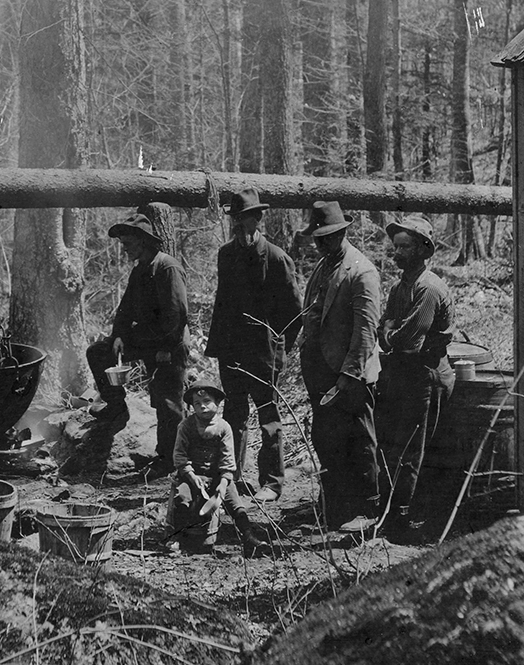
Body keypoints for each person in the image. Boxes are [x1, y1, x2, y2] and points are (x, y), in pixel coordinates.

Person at [205, 190, 301, 503]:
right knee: (234, 416)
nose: (237, 224)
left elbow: (293, 312)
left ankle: (271, 482)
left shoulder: (275, 257)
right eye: (234, 218)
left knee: (268, 416)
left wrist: (280, 349)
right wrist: (217, 345)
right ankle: (232, 478)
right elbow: (222, 303)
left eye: (243, 218)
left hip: (263, 352)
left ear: (257, 219)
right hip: (232, 351)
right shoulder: (226, 254)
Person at [297, 201, 383, 530]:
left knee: (359, 439)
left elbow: (365, 330)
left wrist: (350, 374)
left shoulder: (361, 271)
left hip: (351, 374)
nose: (320, 243)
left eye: (327, 237)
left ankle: (368, 509)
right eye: (317, 238)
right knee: (326, 438)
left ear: (343, 232)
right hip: (320, 371)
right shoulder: (322, 266)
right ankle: (335, 508)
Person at [86, 207, 190, 476]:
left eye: (128, 244)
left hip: (171, 344)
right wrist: (119, 335)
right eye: (122, 244)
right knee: (99, 352)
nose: (124, 249)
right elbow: (125, 309)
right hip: (148, 340)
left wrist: (166, 350)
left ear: (143, 241)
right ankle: (116, 406)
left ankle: (169, 459)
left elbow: (176, 316)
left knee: (167, 403)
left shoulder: (167, 268)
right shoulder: (140, 270)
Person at [376, 215, 455, 536]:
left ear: (423, 250)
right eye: (395, 247)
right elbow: (383, 327)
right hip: (404, 372)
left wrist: (392, 332)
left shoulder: (429, 288)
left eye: (404, 247)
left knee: (413, 448)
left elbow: (410, 338)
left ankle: (405, 519)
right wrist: (390, 331)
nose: (396, 253)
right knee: (395, 444)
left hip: (427, 373)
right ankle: (394, 512)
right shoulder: (400, 286)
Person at [165, 380, 255, 555]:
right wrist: (191, 476)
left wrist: (222, 484)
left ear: (218, 403)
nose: (202, 407)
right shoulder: (185, 426)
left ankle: (249, 537)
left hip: (217, 476)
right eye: (197, 404)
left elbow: (228, 460)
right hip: (190, 476)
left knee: (235, 503)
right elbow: (179, 456)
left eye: (207, 401)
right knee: (182, 498)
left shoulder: (224, 427)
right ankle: (177, 538)